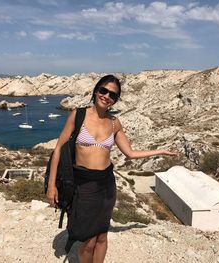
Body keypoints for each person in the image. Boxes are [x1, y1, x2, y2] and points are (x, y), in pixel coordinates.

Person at [46, 75, 179, 263]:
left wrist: (160, 151)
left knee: (102, 235)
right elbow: (58, 148)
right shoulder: (78, 115)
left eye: (113, 95)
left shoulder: (114, 122)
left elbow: (130, 153)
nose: (107, 96)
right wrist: (52, 186)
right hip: (83, 185)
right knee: (88, 240)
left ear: (115, 100)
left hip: (107, 185)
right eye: (103, 90)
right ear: (95, 90)